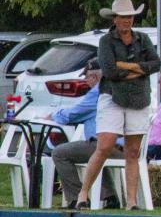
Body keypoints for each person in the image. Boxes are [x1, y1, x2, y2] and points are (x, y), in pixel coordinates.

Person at [76, 0, 160, 210]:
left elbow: (156, 63)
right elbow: (111, 71)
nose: (127, 21)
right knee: (105, 145)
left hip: (138, 97)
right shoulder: (106, 41)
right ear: (115, 19)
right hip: (112, 96)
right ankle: (83, 194)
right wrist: (139, 69)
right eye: (123, 17)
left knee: (133, 151)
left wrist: (127, 66)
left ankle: (131, 202)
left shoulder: (142, 39)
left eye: (130, 17)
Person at [49, 61, 120, 209]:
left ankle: (77, 199)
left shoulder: (98, 91)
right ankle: (110, 197)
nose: (86, 82)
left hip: (108, 145)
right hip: (125, 147)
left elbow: (73, 114)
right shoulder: (118, 87)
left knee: (59, 153)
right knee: (94, 150)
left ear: (94, 77)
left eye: (87, 78)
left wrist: (53, 115)